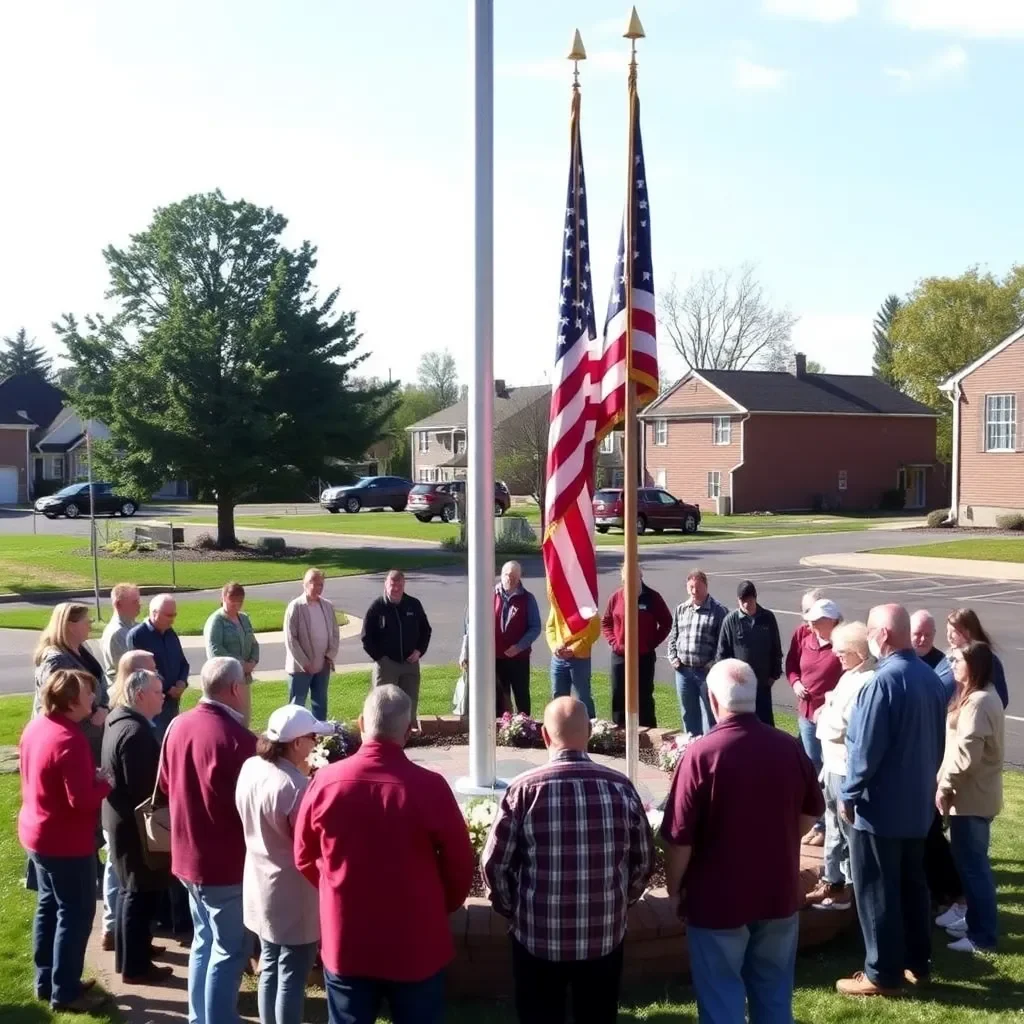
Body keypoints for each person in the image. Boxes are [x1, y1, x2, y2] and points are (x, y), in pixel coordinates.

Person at [294, 686, 475, 1024]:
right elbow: (460, 864)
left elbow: (304, 855)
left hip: (348, 939)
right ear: (408, 731)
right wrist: (440, 904)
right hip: (416, 942)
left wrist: (335, 888)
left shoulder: (325, 782)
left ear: (361, 723)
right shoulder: (429, 787)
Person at [659, 660, 824, 1024]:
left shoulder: (702, 755)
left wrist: (674, 889)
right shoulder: (789, 747)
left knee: (721, 998)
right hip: (777, 893)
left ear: (713, 701)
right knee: (774, 993)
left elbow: (679, 839)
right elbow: (812, 812)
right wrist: (778, 838)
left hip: (718, 901)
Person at [482, 697, 654, 1024]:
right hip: (604, 934)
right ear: (588, 732)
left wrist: (511, 908)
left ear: (545, 736)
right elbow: (644, 861)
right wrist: (622, 902)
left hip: (537, 935)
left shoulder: (523, 790)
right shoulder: (621, 787)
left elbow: (494, 865)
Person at [836, 604, 947, 997]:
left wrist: (847, 795)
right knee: (913, 886)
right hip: (916, 806)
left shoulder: (880, 683)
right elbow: (937, 745)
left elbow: (864, 751)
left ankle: (881, 973)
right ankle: (918, 963)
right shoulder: (930, 679)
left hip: (879, 809)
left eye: (869, 630)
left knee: (877, 890)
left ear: (882, 634)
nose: (867, 637)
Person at [158, 657, 256, 1024]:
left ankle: (201, 1016)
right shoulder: (238, 741)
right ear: (233, 689)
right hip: (223, 865)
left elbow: (166, 785)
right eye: (244, 684)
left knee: (204, 941)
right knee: (230, 949)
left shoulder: (178, 725)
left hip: (185, 857)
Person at [19, 669, 113, 1013]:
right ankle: (66, 991)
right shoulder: (69, 740)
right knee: (75, 913)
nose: (94, 698)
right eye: (89, 693)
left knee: (49, 906)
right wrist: (105, 783)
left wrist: (89, 779)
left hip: (37, 833)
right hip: (64, 842)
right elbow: (82, 800)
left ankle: (47, 981)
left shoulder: (39, 726)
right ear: (73, 702)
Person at [235, 704, 333, 1024]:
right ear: (295, 744)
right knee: (292, 974)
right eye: (311, 737)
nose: (315, 743)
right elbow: (311, 843)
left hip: (259, 885)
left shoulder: (251, 767)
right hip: (293, 894)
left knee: (269, 965)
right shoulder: (295, 788)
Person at [101, 669, 172, 984]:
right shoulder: (135, 733)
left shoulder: (120, 721)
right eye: (158, 691)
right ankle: (135, 967)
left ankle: (135, 951)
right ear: (141, 695)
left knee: (134, 892)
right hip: (135, 827)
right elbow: (145, 788)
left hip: (121, 821)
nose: (163, 695)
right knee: (137, 893)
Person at [936, 641, 1005, 954]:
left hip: (971, 798)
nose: (951, 664)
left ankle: (982, 936)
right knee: (971, 866)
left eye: (957, 660)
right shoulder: (979, 696)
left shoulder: (978, 702)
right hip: (974, 796)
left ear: (973, 665)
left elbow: (966, 755)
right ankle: (977, 924)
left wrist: (945, 786)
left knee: (974, 867)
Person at [805, 622, 875, 911]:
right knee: (833, 826)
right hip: (832, 765)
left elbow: (840, 725)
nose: (837, 655)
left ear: (859, 651)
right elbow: (833, 706)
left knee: (847, 831)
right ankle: (832, 880)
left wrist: (826, 714)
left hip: (844, 768)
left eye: (843, 651)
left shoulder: (866, 680)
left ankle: (847, 889)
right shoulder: (851, 675)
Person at [786, 597, 843, 846]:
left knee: (830, 771)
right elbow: (791, 665)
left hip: (831, 720)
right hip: (807, 715)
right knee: (813, 768)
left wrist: (830, 704)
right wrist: (796, 682)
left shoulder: (842, 644)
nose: (811, 626)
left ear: (830, 621)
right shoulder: (805, 637)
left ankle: (831, 826)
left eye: (816, 621)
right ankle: (818, 824)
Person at [602, 565, 673, 729]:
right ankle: (620, 734)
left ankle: (647, 733)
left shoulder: (652, 598)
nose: (630, 582)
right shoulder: (616, 597)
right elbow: (606, 622)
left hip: (644, 656)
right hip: (620, 656)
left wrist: (651, 643)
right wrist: (614, 642)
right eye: (626, 579)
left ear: (640, 577)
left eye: (634, 578)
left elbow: (666, 623)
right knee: (619, 694)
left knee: (644, 696)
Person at [361, 569, 432, 723]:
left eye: (399, 586)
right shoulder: (377, 607)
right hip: (387, 665)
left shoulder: (413, 605)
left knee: (409, 702)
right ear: (385, 585)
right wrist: (380, 658)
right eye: (392, 586)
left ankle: (407, 735)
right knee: (383, 703)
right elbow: (366, 637)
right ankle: (382, 735)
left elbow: (426, 630)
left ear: (404, 585)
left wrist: (419, 651)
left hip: (410, 663)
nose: (396, 589)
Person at [667, 569, 727, 736]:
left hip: (706, 672)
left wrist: (712, 664)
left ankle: (710, 749)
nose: (694, 592)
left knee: (710, 714)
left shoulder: (718, 611)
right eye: (691, 587)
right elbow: (673, 636)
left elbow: (723, 644)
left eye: (698, 588)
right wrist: (673, 658)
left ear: (706, 587)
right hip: (684, 671)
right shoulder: (681, 609)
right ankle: (692, 747)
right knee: (688, 713)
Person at [715, 580, 783, 726]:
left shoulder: (768, 618)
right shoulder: (730, 621)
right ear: (738, 600)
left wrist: (773, 675)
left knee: (765, 725)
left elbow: (776, 648)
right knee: (743, 725)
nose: (746, 604)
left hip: (763, 684)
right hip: (739, 687)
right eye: (742, 600)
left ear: (755, 597)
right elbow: (722, 654)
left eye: (749, 600)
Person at [128, 593, 189, 737]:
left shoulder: (171, 634)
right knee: (156, 742)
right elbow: (139, 673)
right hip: (153, 704)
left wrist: (181, 683)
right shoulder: (137, 635)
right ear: (154, 613)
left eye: (174, 615)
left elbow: (182, 663)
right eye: (168, 615)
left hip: (172, 701)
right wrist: (167, 688)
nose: (172, 620)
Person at [284, 568, 340, 722]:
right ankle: (293, 739)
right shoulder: (295, 607)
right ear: (304, 584)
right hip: (301, 668)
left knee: (320, 703)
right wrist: (304, 663)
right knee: (297, 706)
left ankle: (319, 737)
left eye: (321, 585)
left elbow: (335, 633)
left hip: (323, 665)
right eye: (314, 584)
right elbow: (291, 638)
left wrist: (330, 655)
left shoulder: (327, 606)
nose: (317, 588)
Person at [493, 561, 542, 716]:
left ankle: (524, 728)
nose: (510, 579)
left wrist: (519, 646)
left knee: (521, 695)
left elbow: (535, 627)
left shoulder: (528, 599)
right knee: (499, 696)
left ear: (520, 577)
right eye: (507, 575)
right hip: (495, 657)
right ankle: (501, 728)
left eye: (514, 576)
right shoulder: (489, 595)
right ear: (501, 575)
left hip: (519, 657)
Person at [936, 609, 1009, 709]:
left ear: (968, 632)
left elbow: (1001, 700)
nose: (949, 636)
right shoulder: (948, 657)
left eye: (954, 632)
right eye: (948, 631)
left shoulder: (987, 661)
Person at [546, 607, 599, 720]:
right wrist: (555, 647)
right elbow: (550, 627)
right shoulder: (558, 601)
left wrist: (574, 649)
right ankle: (560, 727)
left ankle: (590, 728)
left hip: (580, 659)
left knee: (582, 696)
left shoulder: (586, 603)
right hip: (558, 658)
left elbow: (594, 631)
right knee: (558, 695)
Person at [204, 582, 260, 681]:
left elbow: (254, 643)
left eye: (240, 601)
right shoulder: (216, 621)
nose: (236, 605)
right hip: (224, 679)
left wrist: (252, 662)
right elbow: (215, 650)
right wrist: (240, 664)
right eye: (233, 601)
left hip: (244, 678)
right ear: (224, 598)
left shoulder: (244, 618)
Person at [100, 582, 141, 688]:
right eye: (134, 602)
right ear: (118, 605)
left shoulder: (132, 626)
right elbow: (130, 669)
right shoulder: (118, 633)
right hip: (125, 693)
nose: (139, 605)